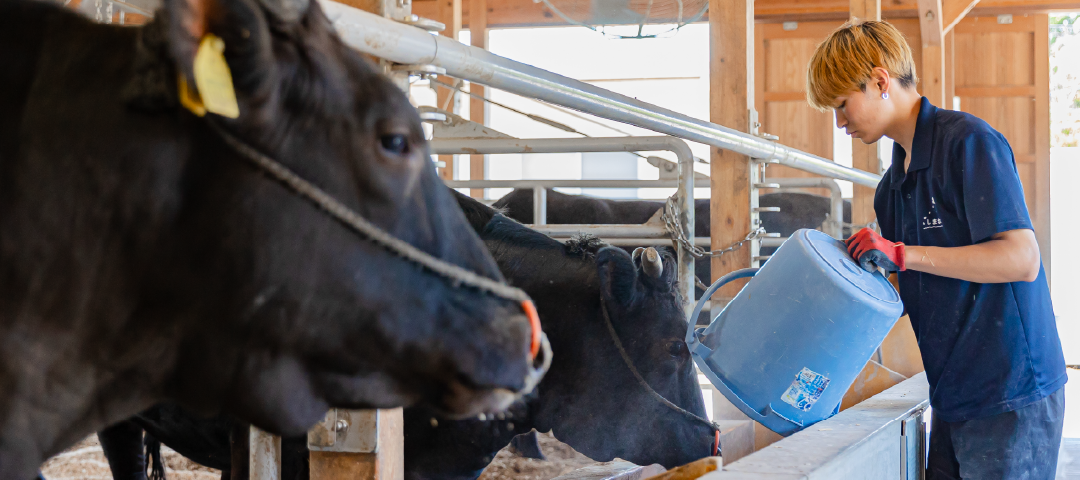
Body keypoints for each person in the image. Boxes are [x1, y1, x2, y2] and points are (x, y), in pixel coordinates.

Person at [806, 20, 1066, 479]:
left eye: (842, 105)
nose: (840, 122)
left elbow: (1022, 259)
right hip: (951, 391)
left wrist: (902, 253)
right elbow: (915, 289)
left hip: (1010, 392)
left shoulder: (968, 143)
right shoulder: (891, 189)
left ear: (880, 81)